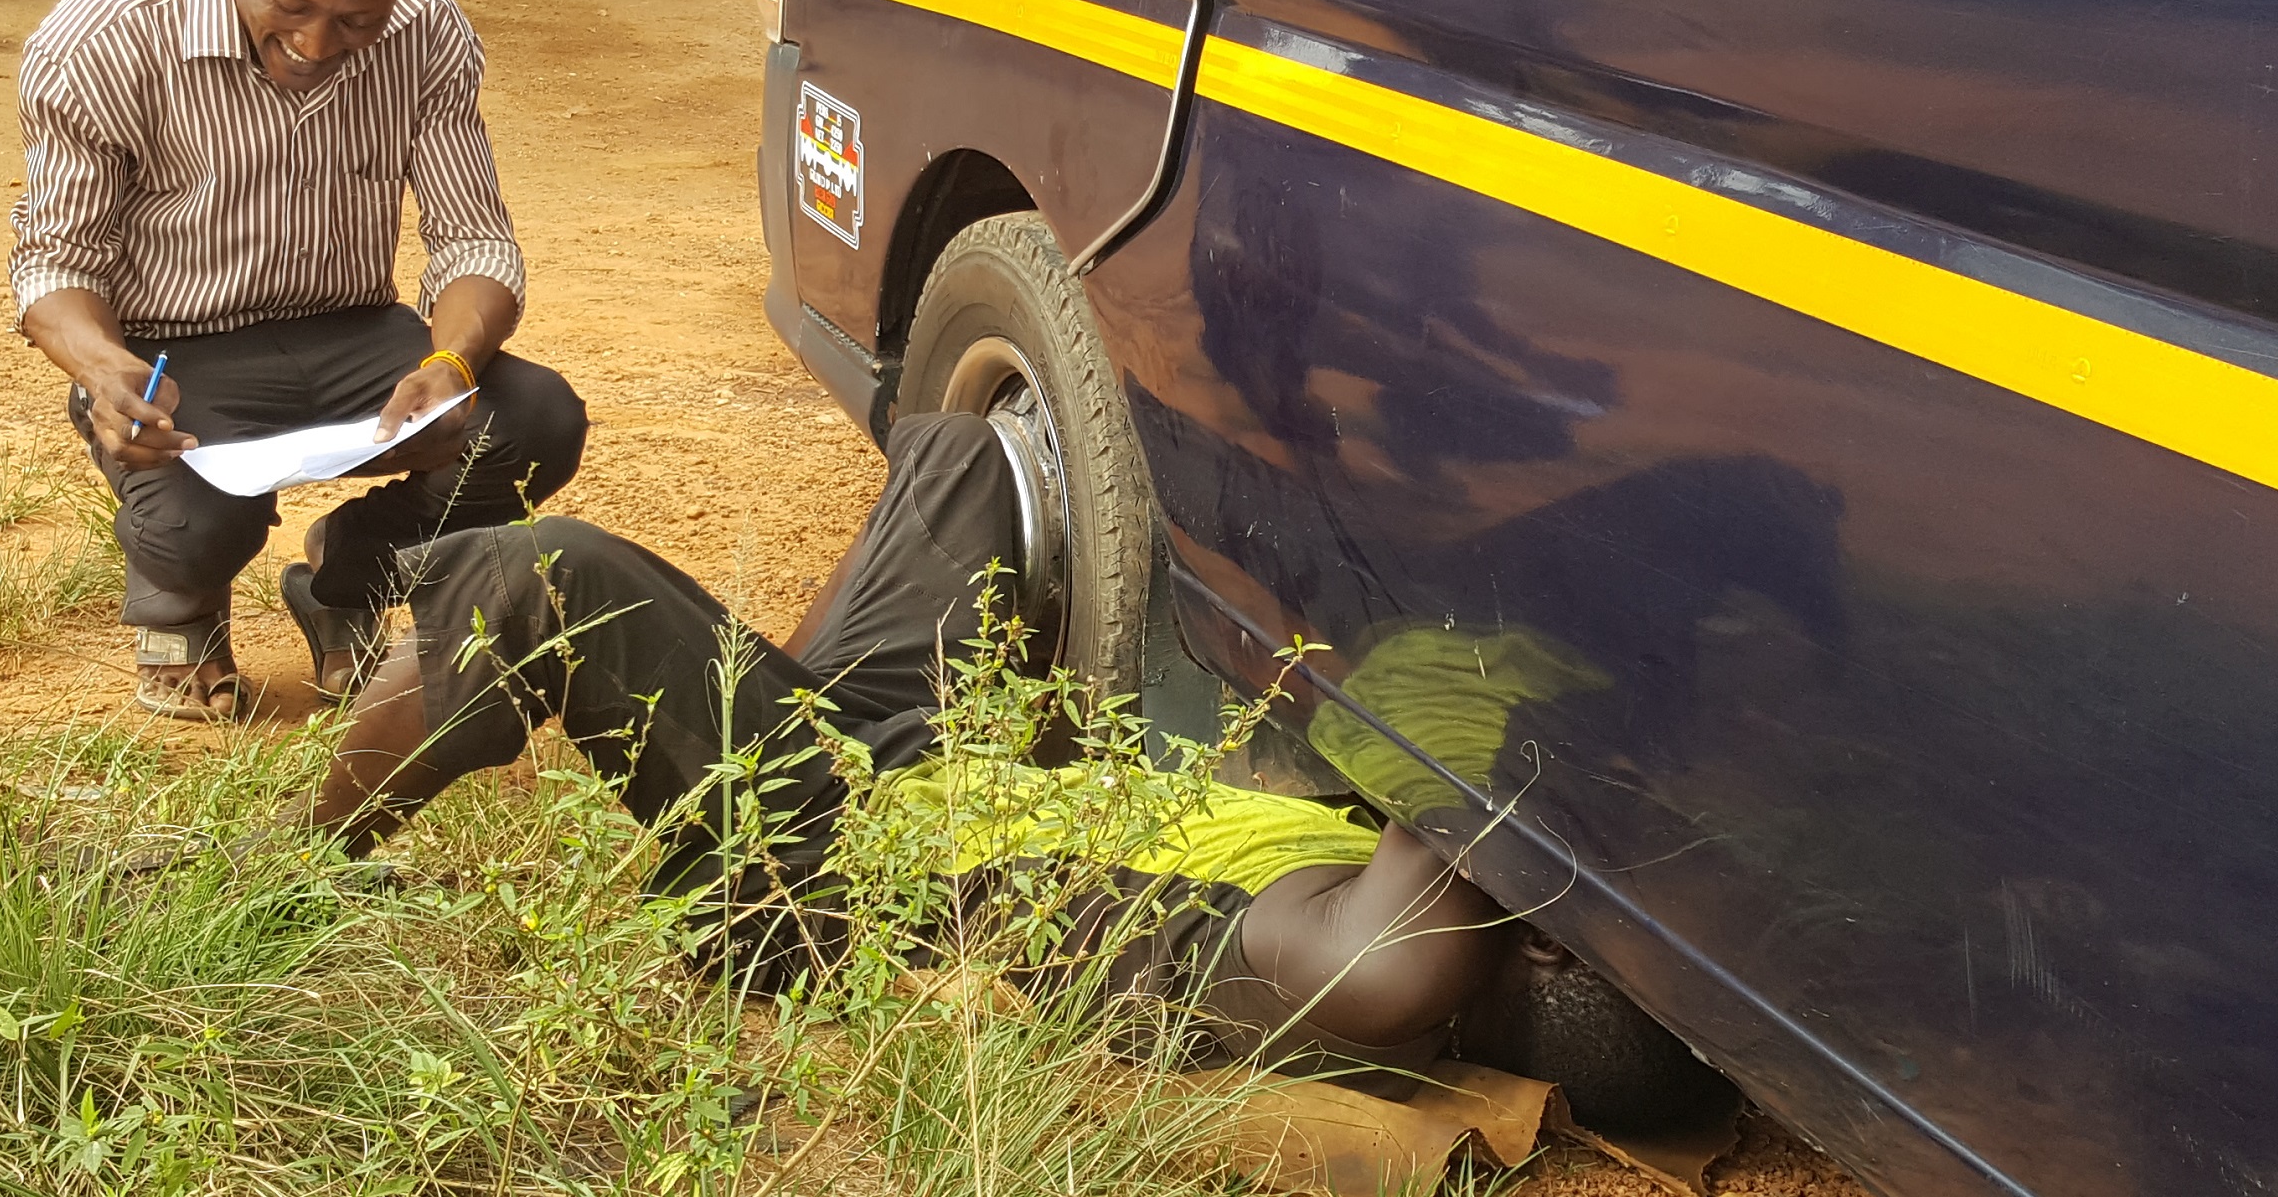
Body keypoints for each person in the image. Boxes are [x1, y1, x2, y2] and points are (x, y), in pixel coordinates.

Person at [291, 413, 1748, 1130]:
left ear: (1524, 942)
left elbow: (1396, 965)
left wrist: (1509, 777)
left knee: (553, 574)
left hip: (841, 865)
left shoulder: (1342, 967)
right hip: (911, 748)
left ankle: (292, 864)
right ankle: (753, 700)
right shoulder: (1329, 853)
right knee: (974, 459)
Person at [10, 0, 588, 721]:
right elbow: (56, 255)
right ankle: (181, 614)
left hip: (352, 331)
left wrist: (454, 363)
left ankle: (346, 572)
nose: (317, 45)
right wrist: (100, 368)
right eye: (289, 3)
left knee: (532, 421)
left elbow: (473, 239)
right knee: (199, 518)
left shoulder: (427, 29)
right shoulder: (105, 34)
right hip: (173, 352)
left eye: (359, 20)